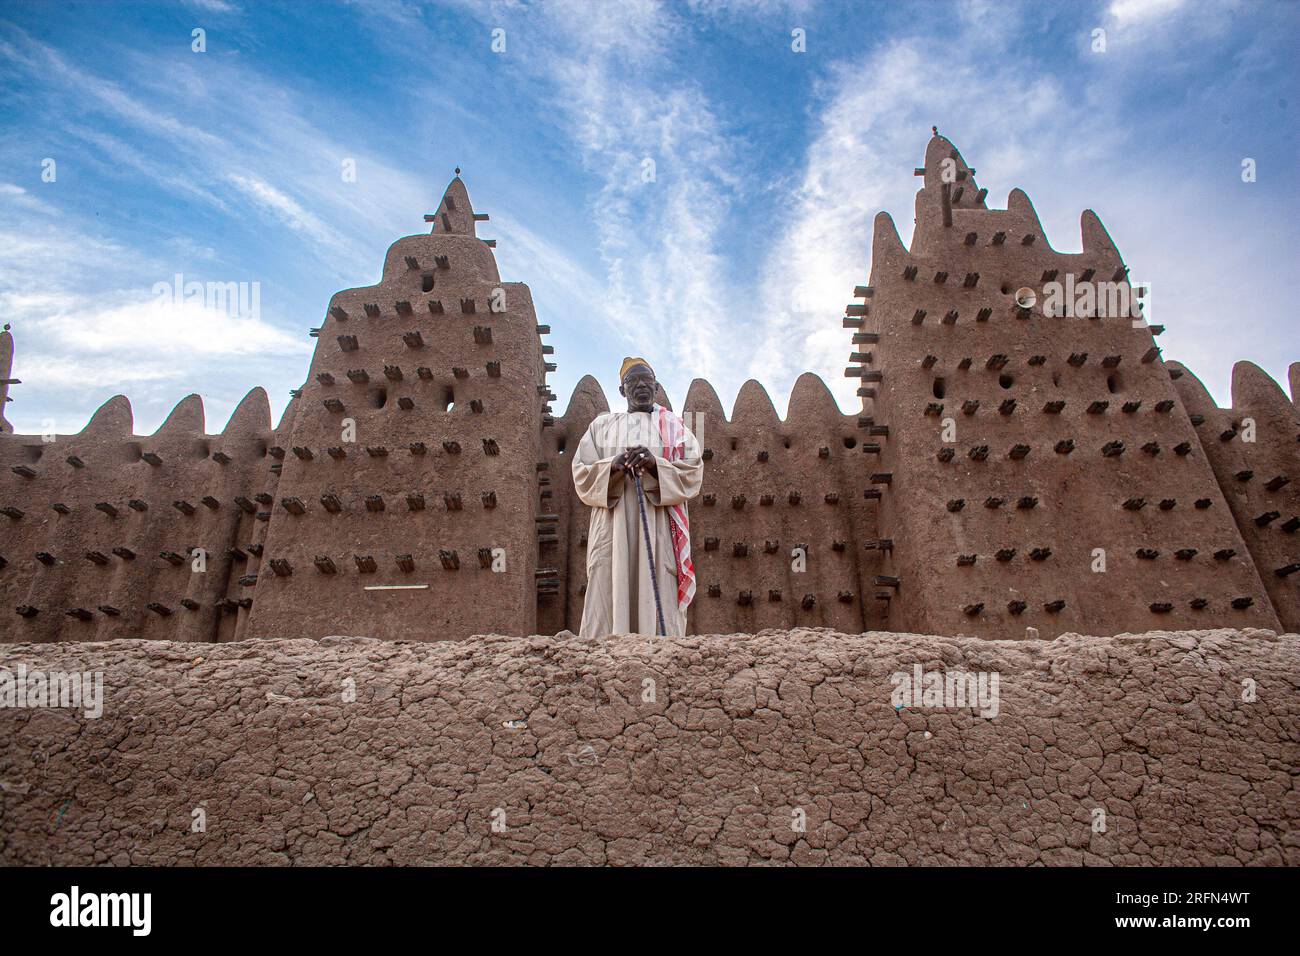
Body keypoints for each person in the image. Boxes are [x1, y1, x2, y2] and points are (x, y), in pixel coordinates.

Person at [572, 358, 702, 636]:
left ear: (657, 387)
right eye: (633, 381)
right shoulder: (601, 426)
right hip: (612, 526)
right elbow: (581, 473)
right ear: (622, 390)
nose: (641, 385)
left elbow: (693, 471)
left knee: (658, 592)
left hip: (658, 528)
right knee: (608, 582)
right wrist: (613, 466)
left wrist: (656, 464)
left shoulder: (676, 429)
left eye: (647, 380)